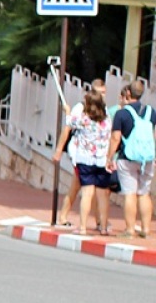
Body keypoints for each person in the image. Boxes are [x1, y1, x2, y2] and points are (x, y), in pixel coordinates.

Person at [55, 89, 111, 236]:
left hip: (85, 160)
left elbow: (69, 122)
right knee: (102, 195)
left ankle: (83, 227)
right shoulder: (107, 121)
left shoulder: (84, 119)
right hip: (102, 160)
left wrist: (67, 110)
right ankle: (104, 227)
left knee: (87, 194)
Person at [106, 80, 154, 239]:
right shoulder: (151, 112)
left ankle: (130, 230)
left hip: (127, 157)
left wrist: (109, 157)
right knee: (144, 193)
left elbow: (115, 138)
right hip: (147, 158)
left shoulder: (121, 113)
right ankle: (146, 229)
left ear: (128, 94)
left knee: (130, 194)